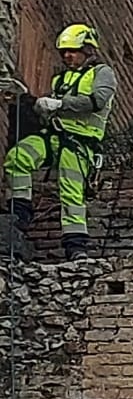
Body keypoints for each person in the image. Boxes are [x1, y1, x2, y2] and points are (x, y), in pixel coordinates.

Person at [4, 23, 119, 259]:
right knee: (18, 157)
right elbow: (54, 110)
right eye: (64, 51)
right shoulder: (61, 79)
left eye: (73, 50)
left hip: (81, 144)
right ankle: (19, 214)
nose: (67, 55)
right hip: (55, 136)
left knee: (71, 193)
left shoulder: (103, 73)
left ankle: (76, 246)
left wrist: (59, 104)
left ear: (87, 49)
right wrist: (32, 101)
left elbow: (97, 101)